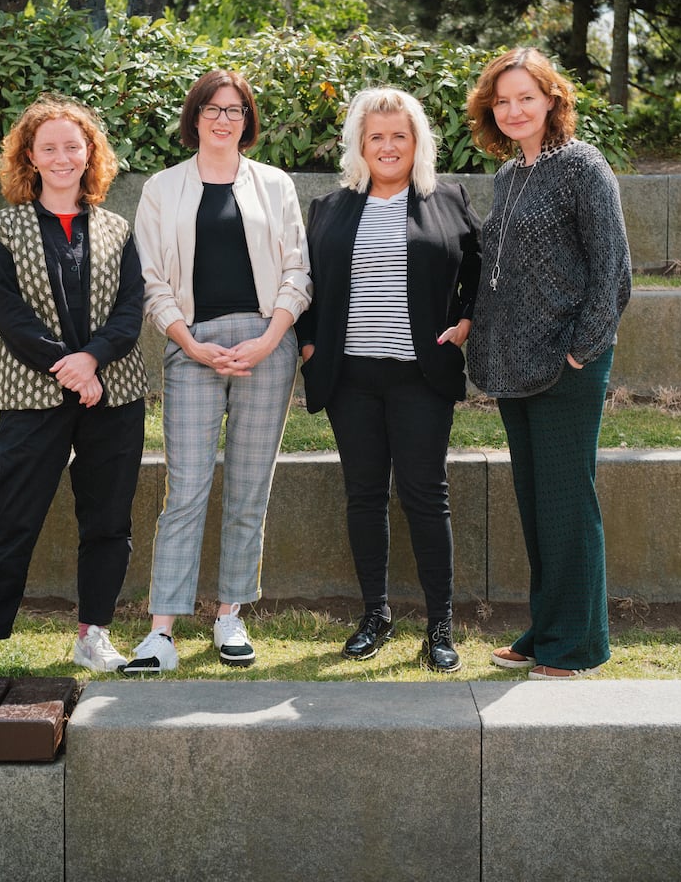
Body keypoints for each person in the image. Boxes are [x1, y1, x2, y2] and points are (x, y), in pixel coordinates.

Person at [0, 95, 147, 677]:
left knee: (109, 518)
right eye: (49, 148)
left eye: (73, 145)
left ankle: (94, 634)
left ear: (90, 153)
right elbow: (12, 318)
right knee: (11, 517)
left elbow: (130, 311)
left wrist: (93, 362)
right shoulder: (3, 229)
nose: (62, 157)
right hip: (32, 396)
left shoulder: (116, 228)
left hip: (114, 394)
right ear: (30, 159)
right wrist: (71, 366)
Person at [126, 69, 311, 673]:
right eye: (212, 107)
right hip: (192, 348)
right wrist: (189, 343)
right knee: (186, 490)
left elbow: (297, 274)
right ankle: (162, 632)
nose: (224, 118)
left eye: (235, 109)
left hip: (266, 345)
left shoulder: (275, 185)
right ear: (195, 115)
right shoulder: (162, 188)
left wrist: (269, 339)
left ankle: (230, 616)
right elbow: (152, 282)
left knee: (249, 488)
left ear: (247, 119)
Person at [296, 87, 481, 672]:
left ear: (417, 141)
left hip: (419, 377)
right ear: (359, 144)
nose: (388, 145)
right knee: (364, 494)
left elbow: (479, 268)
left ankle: (440, 626)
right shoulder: (329, 207)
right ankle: (375, 615)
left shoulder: (447, 200)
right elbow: (305, 282)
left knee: (426, 496)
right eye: (376, 136)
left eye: (399, 134)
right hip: (351, 377)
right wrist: (307, 342)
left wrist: (465, 323)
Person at [466, 47, 631, 679]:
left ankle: (579, 647)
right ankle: (549, 629)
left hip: (569, 364)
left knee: (567, 500)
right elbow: (498, 274)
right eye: (501, 101)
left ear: (551, 101)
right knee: (538, 502)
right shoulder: (509, 177)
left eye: (525, 98)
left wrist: (577, 351)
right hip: (516, 365)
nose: (512, 110)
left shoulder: (582, 166)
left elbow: (613, 271)